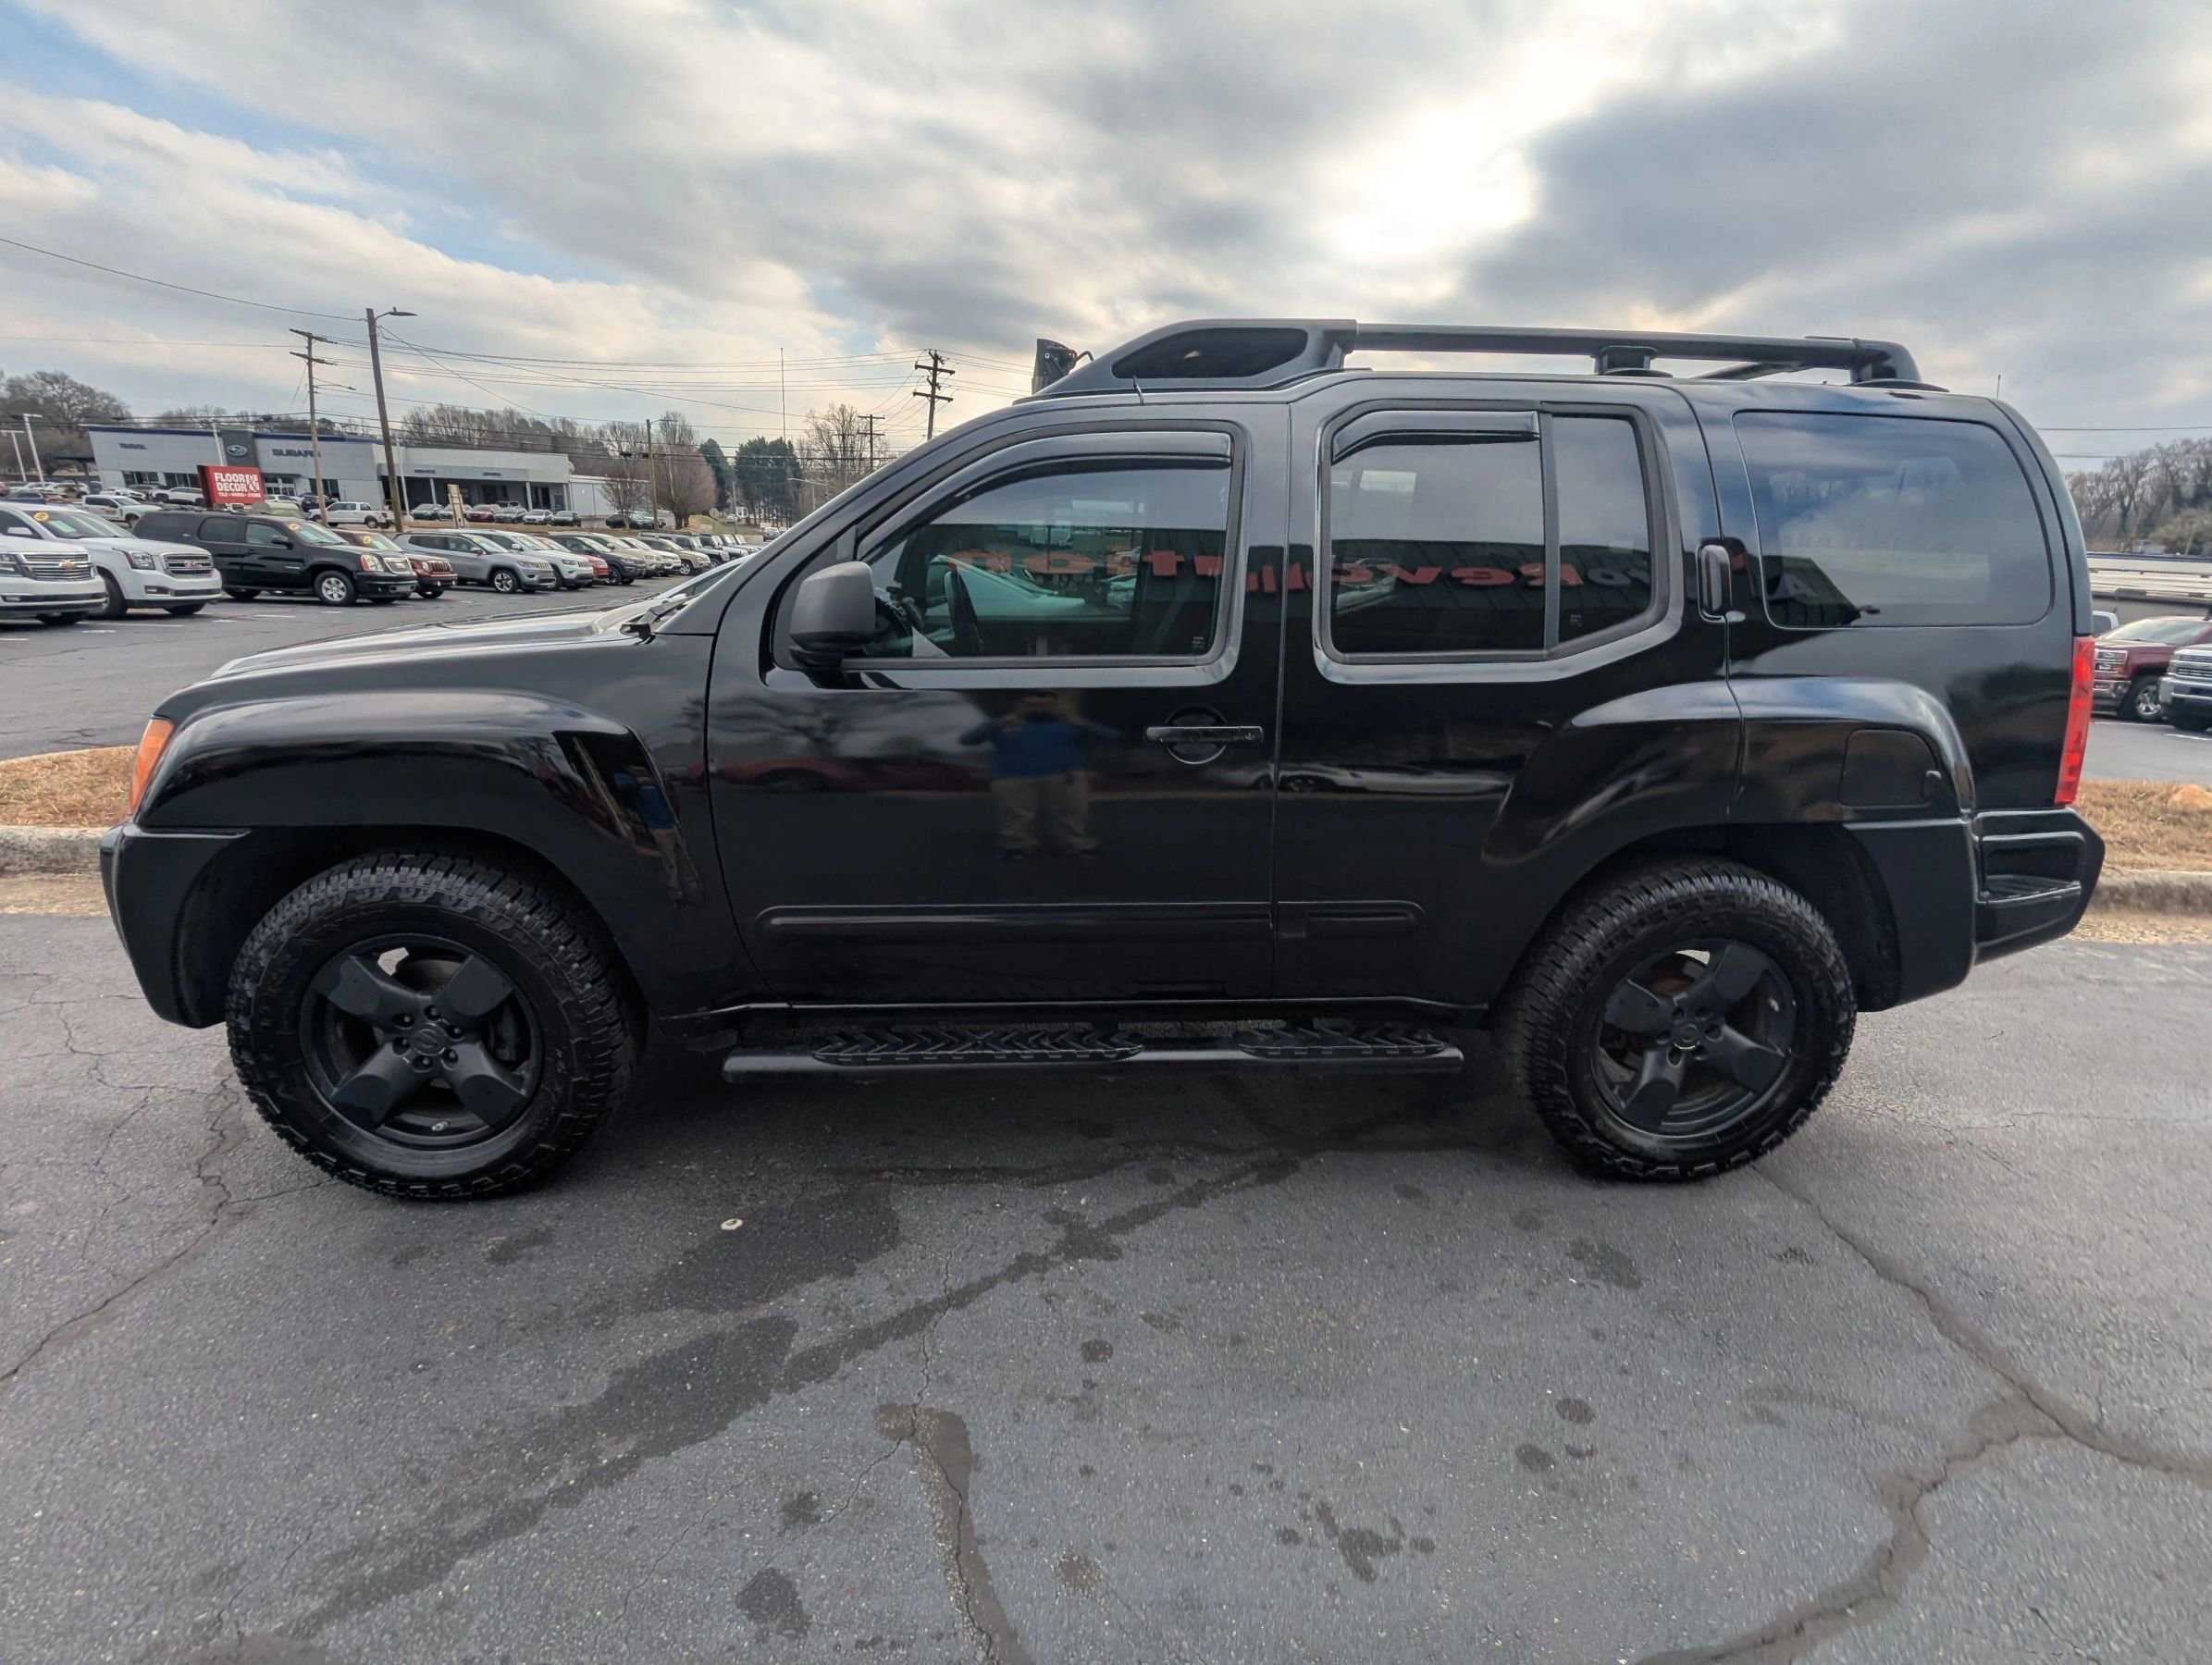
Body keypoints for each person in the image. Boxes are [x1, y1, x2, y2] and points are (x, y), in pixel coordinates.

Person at [959, 693, 1117, 857]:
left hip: (1065, 776)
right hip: (1013, 777)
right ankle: (1016, 845)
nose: (1038, 708)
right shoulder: (1003, 724)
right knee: (1016, 815)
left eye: (1045, 705)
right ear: (1019, 706)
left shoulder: (1071, 724)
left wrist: (1081, 723)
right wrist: (996, 725)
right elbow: (967, 740)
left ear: (1056, 707)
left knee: (1072, 813)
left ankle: (1076, 844)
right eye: (1031, 705)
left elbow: (1110, 736)